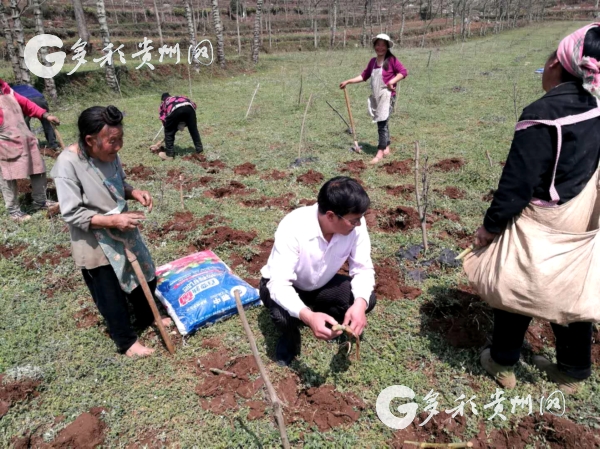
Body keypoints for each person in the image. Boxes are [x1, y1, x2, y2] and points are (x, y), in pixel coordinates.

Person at [475, 23, 600, 394]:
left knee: (518, 283)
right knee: (572, 290)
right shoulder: (596, 105)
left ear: (557, 65)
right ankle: (573, 372)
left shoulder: (543, 114)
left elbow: (516, 184)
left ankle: (503, 362)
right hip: (582, 217)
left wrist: (490, 227)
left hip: (542, 218)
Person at [51, 105, 170, 357]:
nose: (118, 147)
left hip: (123, 226)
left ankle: (149, 316)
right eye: (112, 141)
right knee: (108, 291)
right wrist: (113, 221)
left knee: (143, 275)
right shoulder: (67, 164)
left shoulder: (110, 154)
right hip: (93, 238)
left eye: (121, 139)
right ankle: (126, 341)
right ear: (90, 140)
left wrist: (133, 192)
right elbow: (71, 212)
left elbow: (118, 184)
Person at [260, 176, 376, 366]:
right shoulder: (294, 227)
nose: (359, 224)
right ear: (330, 216)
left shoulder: (355, 228)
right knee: (282, 316)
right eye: (354, 220)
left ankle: (332, 319)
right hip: (284, 285)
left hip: (320, 284)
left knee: (366, 299)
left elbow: (363, 269)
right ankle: (291, 337)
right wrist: (308, 316)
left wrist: (360, 305)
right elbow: (279, 284)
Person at [339, 34, 408, 165]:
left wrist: (392, 81)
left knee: (381, 124)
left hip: (387, 96)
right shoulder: (373, 62)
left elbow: (403, 72)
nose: (380, 47)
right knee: (383, 121)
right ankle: (386, 146)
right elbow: (363, 76)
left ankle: (380, 152)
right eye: (378, 44)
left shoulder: (392, 60)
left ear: (387, 47)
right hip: (376, 96)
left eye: (383, 45)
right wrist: (348, 81)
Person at [0, 78, 60, 222]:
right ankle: (14, 211)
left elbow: (26, 103)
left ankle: (40, 201)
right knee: (8, 175)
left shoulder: (6, 89)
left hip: (25, 137)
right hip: (6, 140)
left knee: (38, 168)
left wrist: (45, 115)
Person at [10, 83, 59, 150]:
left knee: (24, 124)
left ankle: (30, 144)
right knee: (46, 123)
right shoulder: (26, 86)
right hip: (40, 99)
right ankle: (53, 144)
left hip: (25, 100)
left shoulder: (9, 90)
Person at [157, 92, 204, 161]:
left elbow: (164, 118)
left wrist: (168, 132)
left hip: (176, 110)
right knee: (193, 130)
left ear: (162, 100)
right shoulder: (180, 97)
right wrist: (184, 121)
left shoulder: (164, 103)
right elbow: (194, 105)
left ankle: (169, 155)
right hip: (190, 109)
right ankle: (200, 150)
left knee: (168, 131)